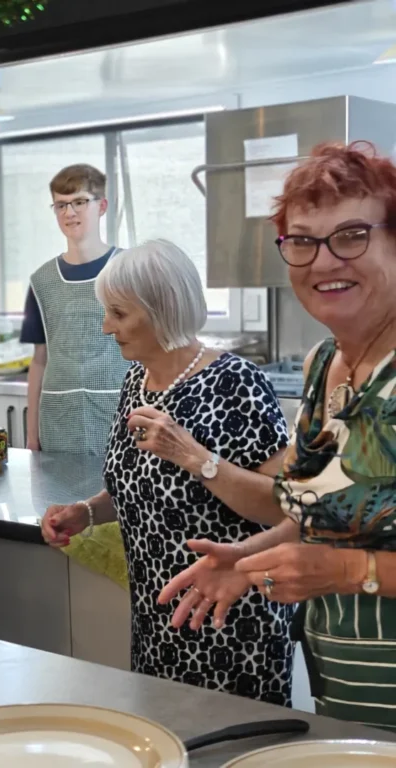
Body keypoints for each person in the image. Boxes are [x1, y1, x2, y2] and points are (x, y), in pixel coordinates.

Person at [160, 141, 396, 730]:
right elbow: (332, 513)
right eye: (302, 241)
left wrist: (345, 571)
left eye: (351, 236)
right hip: (347, 689)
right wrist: (246, 557)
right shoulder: (324, 364)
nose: (324, 262)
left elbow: (344, 554)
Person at [41, 239, 295, 705]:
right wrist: (86, 512)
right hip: (155, 619)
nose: (106, 326)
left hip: (229, 618)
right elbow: (143, 486)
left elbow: (283, 506)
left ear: (163, 310)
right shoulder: (135, 381)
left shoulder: (237, 383)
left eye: (119, 313)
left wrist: (196, 458)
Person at [21, 164, 130, 454]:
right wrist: (31, 435)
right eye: (61, 205)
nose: (69, 212)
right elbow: (39, 360)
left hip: (122, 417)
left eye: (80, 202)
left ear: (102, 206)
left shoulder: (128, 270)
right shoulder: (42, 282)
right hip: (59, 424)